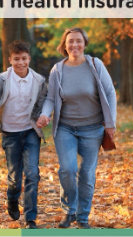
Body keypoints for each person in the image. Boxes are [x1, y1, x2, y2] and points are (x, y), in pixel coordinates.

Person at [37, 27, 116, 229]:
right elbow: (51, 98)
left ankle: (82, 217)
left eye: (78, 41)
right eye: (70, 41)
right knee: (68, 170)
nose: (74, 45)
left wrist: (110, 124)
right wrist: (45, 114)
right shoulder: (58, 70)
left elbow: (110, 93)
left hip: (92, 129)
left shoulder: (95, 65)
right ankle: (68, 210)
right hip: (65, 128)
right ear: (64, 45)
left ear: (84, 43)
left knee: (87, 174)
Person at [0, 40, 47, 229]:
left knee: (32, 173)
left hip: (30, 132)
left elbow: (41, 105)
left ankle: (30, 218)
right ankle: (12, 200)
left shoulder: (38, 81)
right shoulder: (2, 80)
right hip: (10, 133)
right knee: (15, 178)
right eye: (16, 59)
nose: (20, 63)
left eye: (24, 59)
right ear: (10, 59)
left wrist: (42, 118)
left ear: (29, 58)